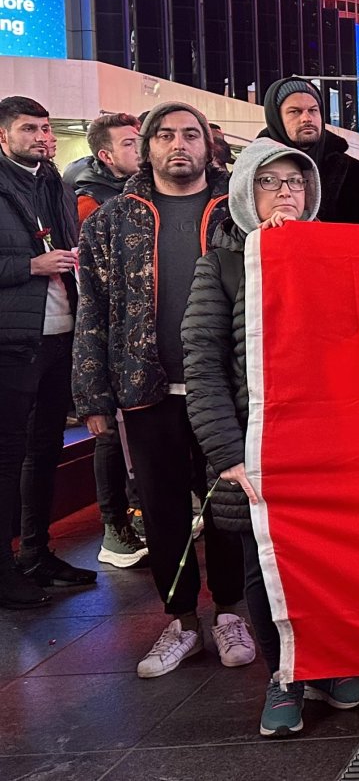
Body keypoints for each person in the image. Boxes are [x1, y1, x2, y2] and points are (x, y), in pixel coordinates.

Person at [180, 138, 359, 736]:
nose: (286, 192)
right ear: (245, 194)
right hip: (258, 446)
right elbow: (202, 362)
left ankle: (333, 663)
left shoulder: (334, 257)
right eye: (271, 182)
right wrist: (228, 454)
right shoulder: (224, 264)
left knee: (332, 561)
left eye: (296, 182)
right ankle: (285, 674)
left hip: (329, 442)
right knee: (270, 569)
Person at [73, 102, 253, 676]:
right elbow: (93, 312)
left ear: (209, 145)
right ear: (146, 145)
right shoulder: (109, 219)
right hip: (144, 386)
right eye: (166, 135)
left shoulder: (237, 212)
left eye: (192, 135)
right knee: (163, 508)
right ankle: (180, 623)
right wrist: (93, 396)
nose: (180, 145)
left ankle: (229, 612)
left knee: (228, 504)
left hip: (226, 389)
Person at [0, 97, 96, 608]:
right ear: (3, 135)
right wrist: (30, 266)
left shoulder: (53, 182)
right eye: (28, 128)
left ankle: (36, 553)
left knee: (44, 452)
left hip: (62, 334)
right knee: (7, 455)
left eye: (44, 127)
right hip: (13, 342)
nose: (41, 136)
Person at [64, 113, 151, 569]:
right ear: (106, 154)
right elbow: (94, 298)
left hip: (150, 343)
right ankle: (115, 525)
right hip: (116, 342)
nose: (141, 149)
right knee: (111, 439)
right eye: (131, 143)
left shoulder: (142, 195)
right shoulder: (92, 207)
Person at [260, 78, 359, 224]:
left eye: (313, 110)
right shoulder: (252, 173)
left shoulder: (358, 175)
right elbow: (234, 235)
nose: (306, 118)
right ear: (276, 118)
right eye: (295, 111)